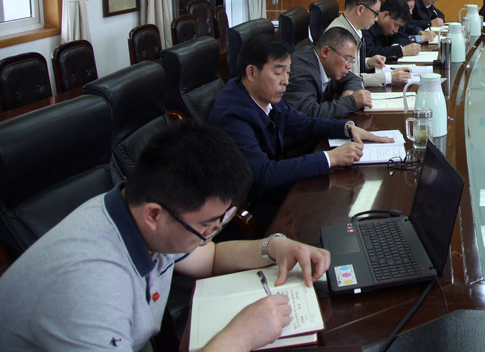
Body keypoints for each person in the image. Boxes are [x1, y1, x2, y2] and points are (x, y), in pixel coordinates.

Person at [0, 121, 332, 352]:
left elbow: (211, 257)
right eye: (208, 224)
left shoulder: (141, 214)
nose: (212, 232)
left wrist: (274, 246)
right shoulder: (89, 287)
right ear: (154, 215)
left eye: (223, 219)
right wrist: (240, 337)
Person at [209, 33, 392, 223]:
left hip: (272, 187)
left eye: (288, 73)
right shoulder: (233, 115)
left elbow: (304, 123)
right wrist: (330, 157)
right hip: (250, 206)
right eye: (278, 73)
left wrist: (346, 128)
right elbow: (264, 174)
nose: (286, 81)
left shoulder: (264, 95)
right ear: (252, 72)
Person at [326, 0, 411, 87]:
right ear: (360, 10)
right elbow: (346, 80)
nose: (376, 19)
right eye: (375, 14)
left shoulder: (354, 29)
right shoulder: (340, 36)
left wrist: (368, 62)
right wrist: (388, 77)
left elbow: (353, 67)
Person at [285, 26, 372, 118]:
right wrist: (351, 102)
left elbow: (353, 78)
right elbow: (307, 115)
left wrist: (349, 92)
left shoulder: (329, 65)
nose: (349, 66)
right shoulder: (301, 71)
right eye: (347, 59)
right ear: (325, 52)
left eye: (351, 61)